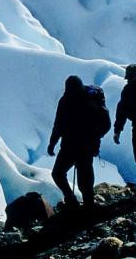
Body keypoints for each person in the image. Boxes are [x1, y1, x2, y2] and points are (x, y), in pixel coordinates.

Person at [48, 75, 111, 211]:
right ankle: (81, 203)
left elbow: (58, 124)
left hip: (80, 146)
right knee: (68, 174)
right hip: (77, 145)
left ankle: (82, 203)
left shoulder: (80, 101)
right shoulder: (67, 100)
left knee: (63, 174)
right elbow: (58, 124)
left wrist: (53, 143)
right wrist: (52, 143)